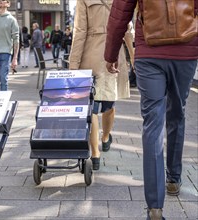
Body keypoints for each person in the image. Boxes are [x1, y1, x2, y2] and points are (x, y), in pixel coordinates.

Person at [104, 1, 198, 219]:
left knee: (153, 125)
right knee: (177, 113)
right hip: (187, 50)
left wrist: (110, 54)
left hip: (150, 52)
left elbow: (120, 12)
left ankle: (155, 208)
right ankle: (173, 178)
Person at [69, 0, 130, 171]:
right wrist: (135, 56)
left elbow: (79, 31)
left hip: (90, 53)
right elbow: (127, 29)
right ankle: (105, 137)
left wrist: (73, 65)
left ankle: (95, 154)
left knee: (93, 105)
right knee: (110, 101)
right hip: (114, 52)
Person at [0, 0, 19, 91]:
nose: (0, 1)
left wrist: (15, 58)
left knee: (3, 79)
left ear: (8, 4)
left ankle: (3, 101)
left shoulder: (12, 20)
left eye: (3, 0)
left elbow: (16, 39)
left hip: (6, 53)